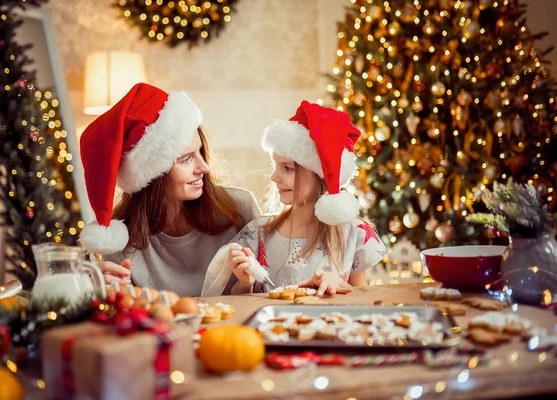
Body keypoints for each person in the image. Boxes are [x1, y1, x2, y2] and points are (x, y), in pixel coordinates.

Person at [78, 83, 261, 297]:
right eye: (186, 159)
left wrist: (246, 285)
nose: (204, 167)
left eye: (200, 152)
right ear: (153, 174)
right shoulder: (121, 243)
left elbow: (270, 292)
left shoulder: (240, 209)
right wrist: (104, 296)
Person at [211, 100, 387, 297]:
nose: (274, 177)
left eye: (287, 168)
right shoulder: (258, 234)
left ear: (319, 174)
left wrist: (340, 286)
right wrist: (245, 283)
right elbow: (238, 304)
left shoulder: (354, 234)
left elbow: (363, 301)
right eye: (275, 166)